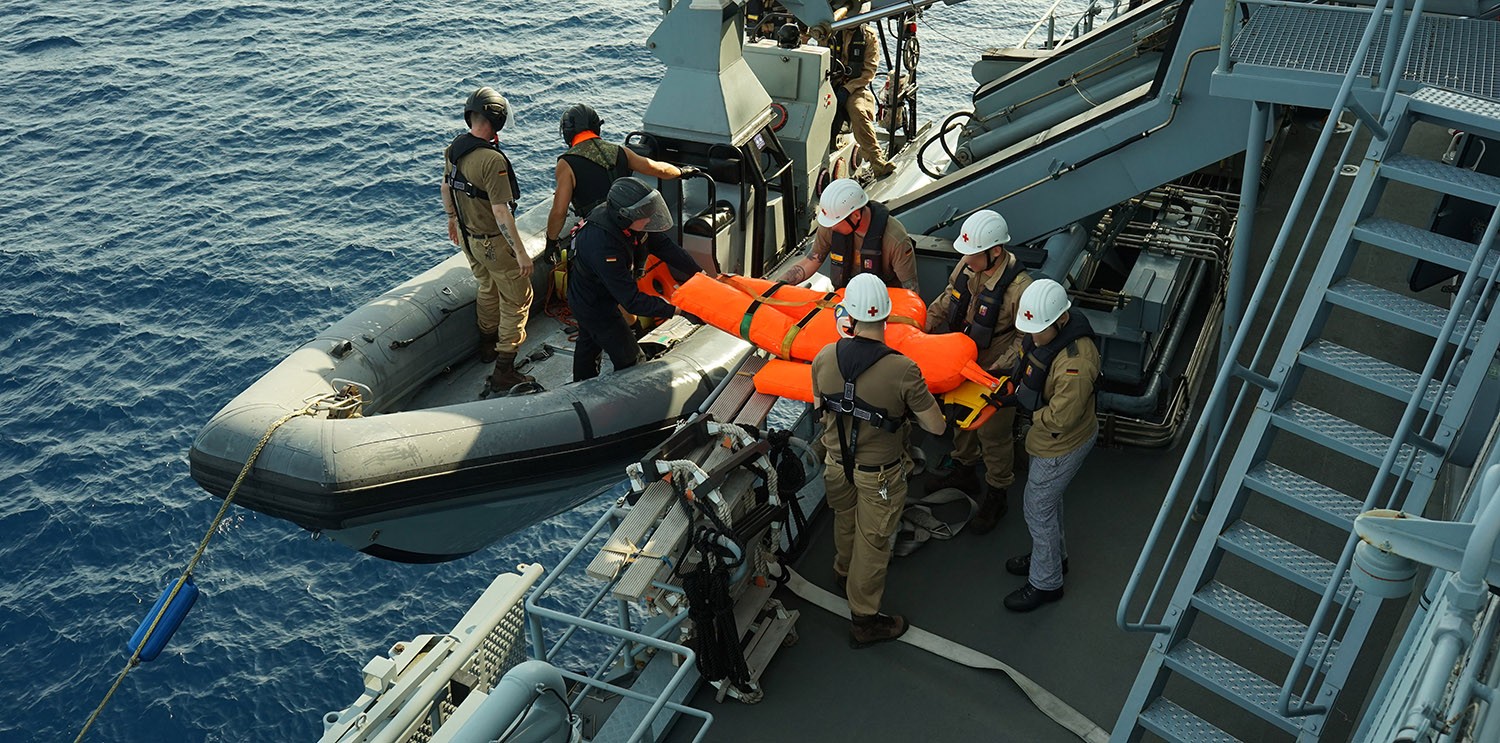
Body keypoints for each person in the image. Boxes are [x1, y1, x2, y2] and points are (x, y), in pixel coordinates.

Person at [812, 273, 947, 648]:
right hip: (880, 477)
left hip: (837, 466)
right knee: (874, 544)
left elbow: (818, 409)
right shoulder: (903, 369)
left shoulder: (824, 357)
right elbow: (936, 427)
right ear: (887, 317)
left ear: (848, 317)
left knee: (844, 518)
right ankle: (864, 620)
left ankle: (842, 571)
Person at [924, 210, 1033, 534]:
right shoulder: (968, 267)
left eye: (973, 253)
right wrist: (922, 328)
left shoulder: (1020, 290)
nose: (966, 259)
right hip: (961, 362)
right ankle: (965, 468)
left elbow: (1025, 338)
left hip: (994, 372)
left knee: (993, 435)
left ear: (995, 252)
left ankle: (997, 493)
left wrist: (998, 372)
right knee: (958, 418)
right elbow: (948, 299)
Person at [1000, 279, 1100, 612]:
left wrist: (1023, 406)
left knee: (1037, 509)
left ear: (1060, 321)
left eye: (1038, 330)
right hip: (1048, 438)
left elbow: (1061, 419)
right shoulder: (1047, 332)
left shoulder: (1076, 364)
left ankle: (1047, 583)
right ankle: (1054, 558)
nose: (1033, 337)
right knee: (1048, 503)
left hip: (1060, 443)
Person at [441, 86, 535, 394]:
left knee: (487, 287)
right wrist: (521, 254)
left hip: (468, 239)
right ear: (498, 120)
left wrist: (452, 219)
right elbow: (501, 212)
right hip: (492, 243)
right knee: (517, 300)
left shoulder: (455, 147)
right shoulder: (491, 160)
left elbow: (446, 187)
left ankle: (486, 347)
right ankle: (504, 370)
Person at [567, 177, 704, 382]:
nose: (650, 219)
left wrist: (700, 274)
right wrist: (679, 310)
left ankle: (581, 385)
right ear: (625, 216)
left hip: (601, 290)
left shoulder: (637, 224)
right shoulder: (603, 244)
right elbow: (631, 301)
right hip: (593, 302)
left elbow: (667, 248)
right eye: (645, 216)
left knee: (589, 342)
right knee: (631, 359)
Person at [544, 104, 699, 261]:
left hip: (603, 231)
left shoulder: (566, 163)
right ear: (596, 127)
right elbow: (657, 169)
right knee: (668, 249)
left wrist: (551, 242)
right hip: (634, 221)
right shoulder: (619, 150)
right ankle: (702, 275)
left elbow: (559, 212)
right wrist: (682, 172)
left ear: (567, 132)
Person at [777, 178, 919, 291]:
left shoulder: (895, 240)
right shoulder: (832, 225)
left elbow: (910, 290)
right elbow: (812, 260)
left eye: (835, 222)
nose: (830, 227)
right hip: (845, 296)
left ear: (856, 215)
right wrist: (780, 283)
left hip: (881, 305)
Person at [827, 2, 894, 178]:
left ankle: (877, 161)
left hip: (855, 86)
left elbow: (868, 72)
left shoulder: (868, 37)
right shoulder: (831, 31)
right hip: (828, 82)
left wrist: (847, 89)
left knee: (858, 111)